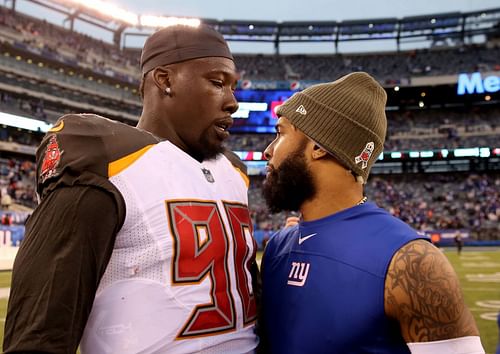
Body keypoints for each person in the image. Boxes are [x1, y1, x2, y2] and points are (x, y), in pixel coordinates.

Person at [4, 24, 260, 354]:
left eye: (232, 87)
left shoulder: (233, 171)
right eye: (217, 82)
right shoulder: (109, 160)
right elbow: (40, 332)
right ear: (165, 80)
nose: (232, 102)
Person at [259, 72, 484, 354]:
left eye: (280, 133)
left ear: (319, 146)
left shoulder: (412, 263)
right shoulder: (277, 248)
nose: (267, 151)